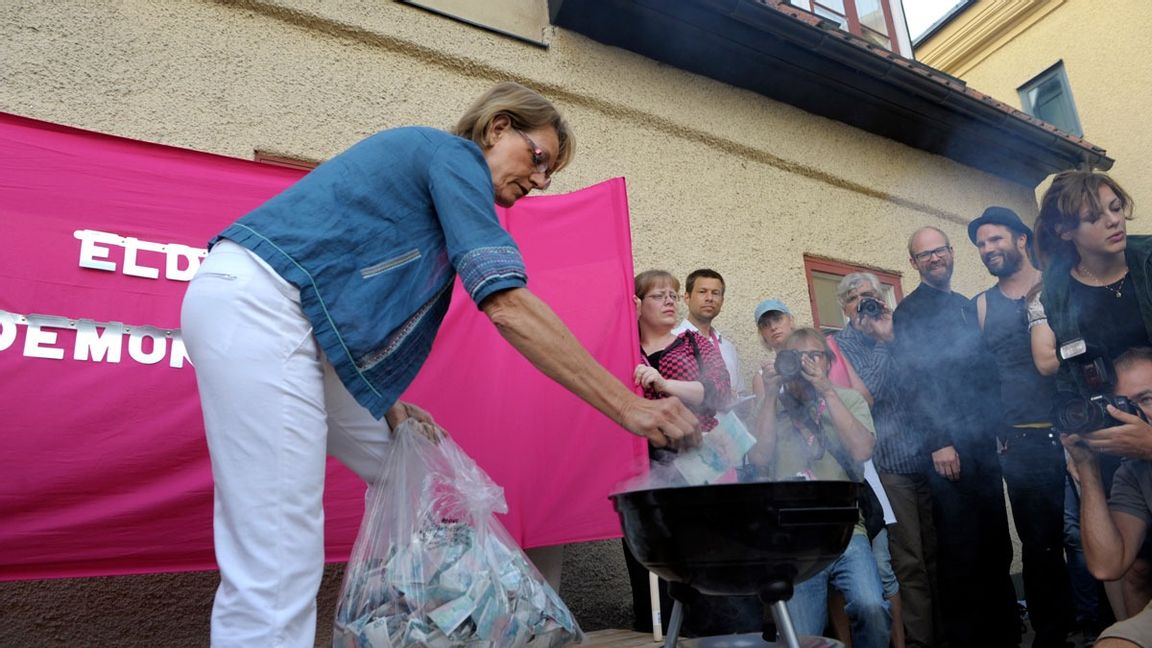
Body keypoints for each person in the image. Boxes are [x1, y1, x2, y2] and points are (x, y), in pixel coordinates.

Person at [180, 82, 699, 647]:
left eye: (551, 172)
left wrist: (389, 403)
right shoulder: (453, 155)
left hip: (296, 323)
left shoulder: (433, 177)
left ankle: (436, 624)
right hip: (262, 304)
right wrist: (628, 407)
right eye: (540, 158)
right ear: (499, 127)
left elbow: (341, 296)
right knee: (278, 552)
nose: (542, 179)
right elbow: (506, 304)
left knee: (411, 468)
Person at [1031, 170, 1152, 623]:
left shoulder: (1148, 258)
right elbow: (1067, 369)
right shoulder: (1058, 287)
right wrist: (1073, 435)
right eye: (1093, 217)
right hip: (1109, 432)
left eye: (1115, 209)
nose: (1113, 222)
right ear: (1065, 231)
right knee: (1130, 564)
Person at [892, 226, 1020, 647]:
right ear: (913, 263)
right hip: (948, 447)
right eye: (924, 254)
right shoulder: (908, 312)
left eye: (940, 250)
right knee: (961, 551)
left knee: (996, 544)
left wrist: (998, 427)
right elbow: (914, 381)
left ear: (951, 253)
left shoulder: (967, 305)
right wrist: (938, 441)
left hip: (983, 440)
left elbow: (984, 372)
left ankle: (1004, 634)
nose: (934, 258)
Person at [969, 207, 1074, 647]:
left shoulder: (1057, 285)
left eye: (996, 240)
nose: (988, 249)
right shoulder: (980, 305)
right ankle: (1053, 637)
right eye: (981, 244)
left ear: (1021, 240)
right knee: (1040, 545)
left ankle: (1110, 624)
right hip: (1021, 440)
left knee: (1096, 533)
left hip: (1074, 428)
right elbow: (978, 376)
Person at [748, 327, 890, 648]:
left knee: (872, 608)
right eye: (796, 358)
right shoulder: (771, 406)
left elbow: (862, 450)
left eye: (814, 356)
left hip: (845, 530)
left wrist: (827, 391)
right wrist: (770, 396)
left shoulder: (848, 399)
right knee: (801, 637)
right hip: (794, 538)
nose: (805, 364)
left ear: (827, 362)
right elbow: (759, 457)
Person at [624, 269, 738, 636]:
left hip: (700, 461)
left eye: (674, 294)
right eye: (659, 295)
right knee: (652, 561)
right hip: (648, 469)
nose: (671, 301)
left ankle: (715, 638)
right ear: (637, 304)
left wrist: (664, 383)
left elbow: (720, 393)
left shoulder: (693, 343)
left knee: (705, 558)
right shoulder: (625, 350)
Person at [834, 272, 929, 648]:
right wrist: (879, 340)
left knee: (934, 553)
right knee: (908, 560)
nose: (867, 302)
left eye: (872, 295)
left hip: (927, 452)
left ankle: (938, 634)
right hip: (888, 460)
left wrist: (891, 334)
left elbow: (926, 379)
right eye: (857, 297)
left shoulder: (899, 331)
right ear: (845, 307)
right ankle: (917, 641)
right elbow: (867, 393)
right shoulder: (842, 344)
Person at [1063, 347, 1152, 647]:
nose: (1136, 414)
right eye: (1124, 404)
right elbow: (1107, 565)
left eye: (1146, 399)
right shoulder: (1132, 472)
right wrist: (1087, 468)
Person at [673, 268, 747, 402]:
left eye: (715, 293)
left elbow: (741, 394)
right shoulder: (672, 340)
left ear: (722, 301)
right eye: (702, 292)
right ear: (687, 298)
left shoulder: (728, 347)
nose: (709, 298)